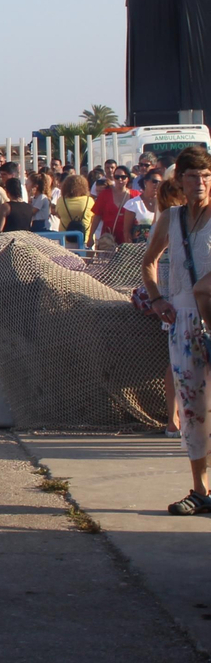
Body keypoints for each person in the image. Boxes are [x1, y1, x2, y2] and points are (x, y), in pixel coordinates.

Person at [139, 146, 211, 515]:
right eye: (192, 176)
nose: (199, 183)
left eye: (206, 176)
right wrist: (157, 300)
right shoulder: (172, 219)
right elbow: (148, 262)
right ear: (179, 179)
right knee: (193, 409)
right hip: (182, 322)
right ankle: (200, 490)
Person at [117, 169, 161, 244]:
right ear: (145, 182)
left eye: (160, 182)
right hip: (139, 250)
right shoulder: (133, 204)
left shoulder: (164, 204)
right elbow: (126, 232)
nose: (157, 184)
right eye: (154, 181)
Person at [91, 172, 135, 243]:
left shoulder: (135, 195)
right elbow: (97, 216)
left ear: (128, 179)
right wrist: (91, 236)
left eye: (123, 177)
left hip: (128, 237)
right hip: (109, 237)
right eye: (117, 177)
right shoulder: (105, 194)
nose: (120, 179)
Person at [52, 174, 94, 241]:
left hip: (65, 240)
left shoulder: (61, 201)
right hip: (86, 239)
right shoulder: (89, 201)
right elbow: (93, 219)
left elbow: (58, 214)